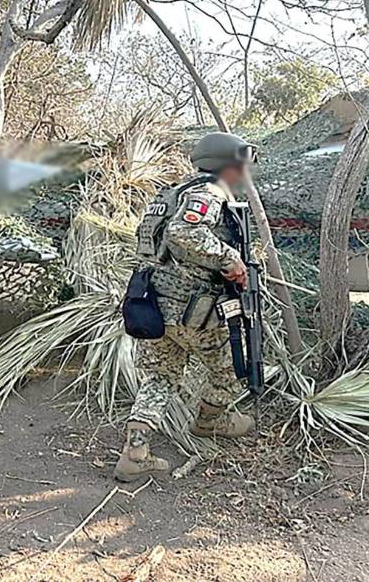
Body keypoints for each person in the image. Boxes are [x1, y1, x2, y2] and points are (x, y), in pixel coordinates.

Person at [115, 132, 258, 482]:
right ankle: (210, 421)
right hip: (195, 312)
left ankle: (135, 452)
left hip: (154, 309)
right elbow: (184, 232)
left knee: (160, 377)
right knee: (231, 368)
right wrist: (231, 261)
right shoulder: (208, 193)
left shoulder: (171, 195)